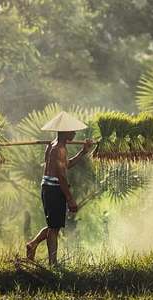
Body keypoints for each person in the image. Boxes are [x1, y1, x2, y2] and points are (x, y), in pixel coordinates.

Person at [26, 111, 92, 266]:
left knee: (53, 226)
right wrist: (70, 199)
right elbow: (61, 176)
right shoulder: (58, 149)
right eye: (72, 131)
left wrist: (83, 152)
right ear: (65, 132)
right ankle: (53, 264)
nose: (75, 133)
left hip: (48, 187)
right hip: (54, 189)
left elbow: (65, 165)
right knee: (54, 229)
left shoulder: (53, 146)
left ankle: (32, 244)